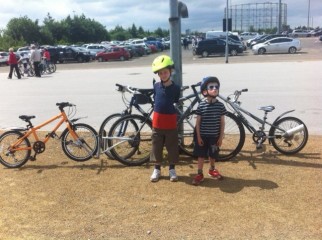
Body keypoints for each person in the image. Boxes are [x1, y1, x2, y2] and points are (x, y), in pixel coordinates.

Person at [150, 55, 181, 182]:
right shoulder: (156, 86)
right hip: (157, 121)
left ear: (171, 71)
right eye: (161, 73)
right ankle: (157, 169)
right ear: (158, 74)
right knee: (156, 146)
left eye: (165, 72)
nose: (163, 75)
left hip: (170, 122)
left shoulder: (176, 88)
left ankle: (172, 169)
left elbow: (176, 101)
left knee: (172, 146)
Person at [192, 76, 226, 185]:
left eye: (216, 87)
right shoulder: (201, 105)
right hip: (202, 136)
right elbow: (197, 123)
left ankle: (212, 169)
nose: (215, 89)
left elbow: (222, 122)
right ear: (205, 91)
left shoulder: (220, 106)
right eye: (211, 87)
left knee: (213, 154)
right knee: (201, 155)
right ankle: (199, 173)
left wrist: (220, 137)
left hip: (214, 136)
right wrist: (198, 137)